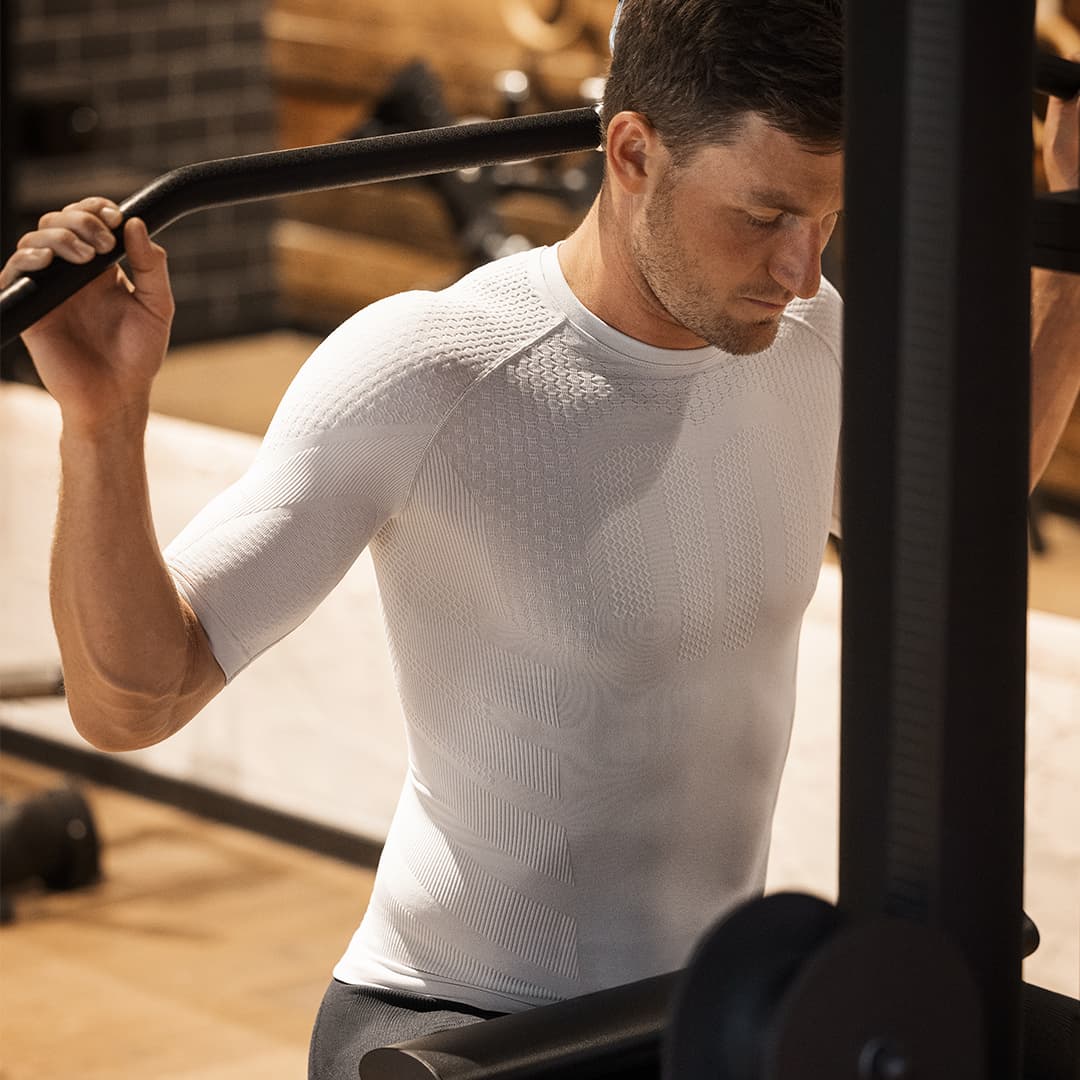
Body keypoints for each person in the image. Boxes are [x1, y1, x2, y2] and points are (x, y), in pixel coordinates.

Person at [2, 1, 1078, 1076]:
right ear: (631, 152)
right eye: (761, 218)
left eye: (823, 221)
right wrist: (105, 422)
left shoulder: (808, 341)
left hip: (698, 1014)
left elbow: (957, 528)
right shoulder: (430, 370)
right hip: (457, 1030)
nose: (800, 270)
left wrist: (1074, 237)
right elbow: (131, 699)